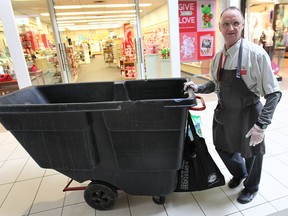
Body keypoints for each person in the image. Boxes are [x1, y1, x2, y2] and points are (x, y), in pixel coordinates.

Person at [184, 6, 281, 204]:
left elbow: (274, 94)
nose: (231, 28)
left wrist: (261, 125)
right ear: (220, 27)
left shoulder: (256, 55)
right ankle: (240, 172)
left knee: (252, 153)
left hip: (248, 114)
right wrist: (199, 88)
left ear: (243, 25)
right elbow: (215, 84)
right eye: (226, 24)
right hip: (225, 112)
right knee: (222, 147)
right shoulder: (218, 56)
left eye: (235, 23)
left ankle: (251, 187)